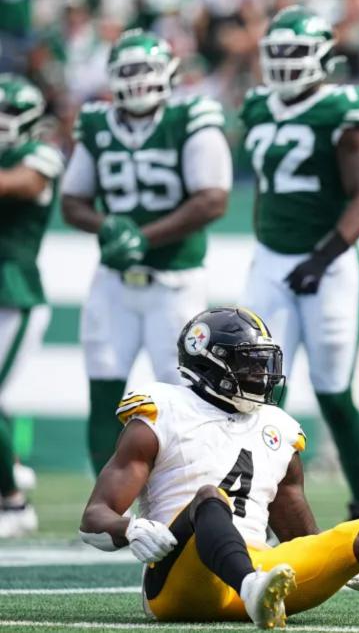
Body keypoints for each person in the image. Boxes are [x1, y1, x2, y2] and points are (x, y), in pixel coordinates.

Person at [78, 307, 359, 629]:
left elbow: (298, 533)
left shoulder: (279, 429)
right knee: (212, 498)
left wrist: (344, 559)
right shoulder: (163, 412)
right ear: (208, 361)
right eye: (248, 362)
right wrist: (129, 529)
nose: (262, 374)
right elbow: (93, 520)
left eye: (264, 362)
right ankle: (251, 587)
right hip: (180, 583)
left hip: (267, 577)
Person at [61, 30, 232, 475]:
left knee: (185, 395)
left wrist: (144, 237)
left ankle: (190, 496)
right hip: (114, 284)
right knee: (103, 391)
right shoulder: (97, 123)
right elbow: (72, 201)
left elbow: (213, 198)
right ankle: (105, 509)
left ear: (169, 74)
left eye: (145, 71)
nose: (136, 81)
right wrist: (108, 226)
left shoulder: (191, 115)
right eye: (127, 72)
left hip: (174, 282)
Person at [239, 5, 359, 520]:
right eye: (276, 52)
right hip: (271, 261)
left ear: (323, 56)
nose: (283, 63)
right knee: (260, 389)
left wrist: (322, 256)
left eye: (295, 53)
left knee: (334, 392)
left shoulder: (342, 109)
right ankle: (258, 501)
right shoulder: (257, 107)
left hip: (330, 266)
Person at [0, 75, 64, 538]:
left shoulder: (38, 156)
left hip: (14, 293)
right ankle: (13, 468)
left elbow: (18, 184)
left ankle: (13, 504)